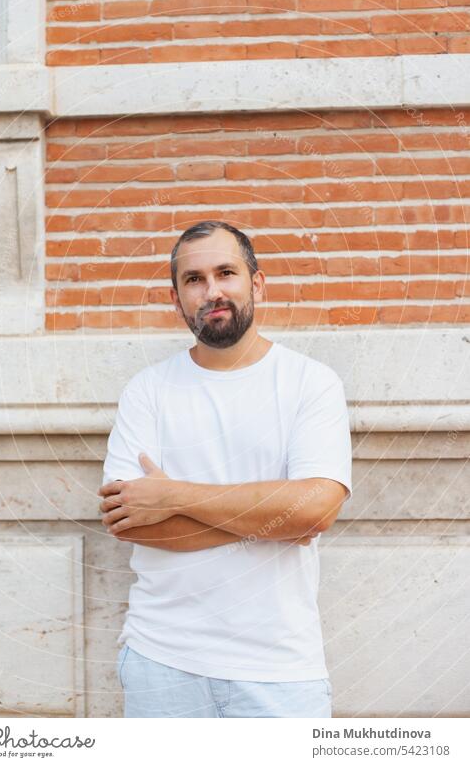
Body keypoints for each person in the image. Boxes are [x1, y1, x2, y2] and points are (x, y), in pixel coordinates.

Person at [98, 220, 353, 718]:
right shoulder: (147, 391)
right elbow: (127, 520)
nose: (212, 291)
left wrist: (171, 496)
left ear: (256, 283)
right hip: (161, 663)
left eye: (226, 273)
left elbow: (316, 510)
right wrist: (274, 519)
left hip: (279, 673)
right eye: (193, 279)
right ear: (176, 299)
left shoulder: (310, 383)